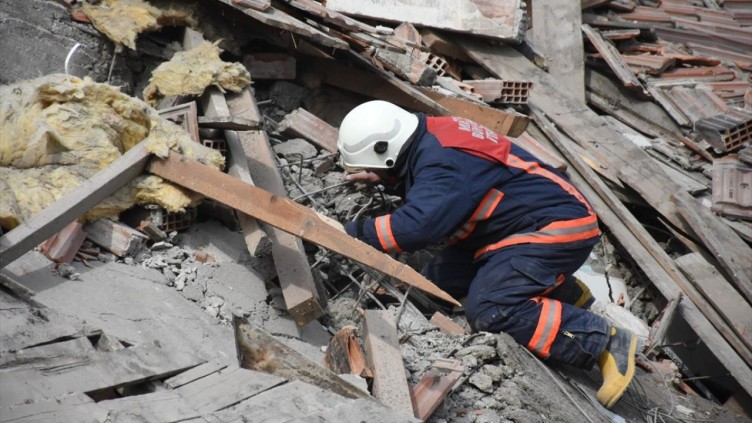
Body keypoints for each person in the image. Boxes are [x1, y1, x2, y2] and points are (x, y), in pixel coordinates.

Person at [336, 100, 637, 409]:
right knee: (431, 286)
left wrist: (351, 233)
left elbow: (415, 228)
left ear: (386, 151)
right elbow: (432, 183)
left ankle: (604, 340)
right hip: (510, 227)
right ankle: (563, 292)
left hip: (554, 228)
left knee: (491, 309)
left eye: (374, 167)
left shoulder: (445, 163)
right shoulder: (428, 136)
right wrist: (386, 175)